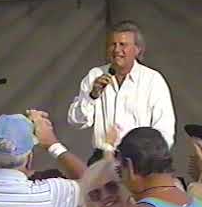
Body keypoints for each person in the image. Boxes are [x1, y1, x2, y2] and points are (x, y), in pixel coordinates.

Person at [67, 20, 176, 164]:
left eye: (123, 45)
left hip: (138, 161)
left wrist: (151, 162)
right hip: (102, 159)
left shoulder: (152, 80)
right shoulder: (96, 75)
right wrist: (92, 96)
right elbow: (76, 121)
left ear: (137, 50)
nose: (117, 50)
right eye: (113, 44)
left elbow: (164, 128)